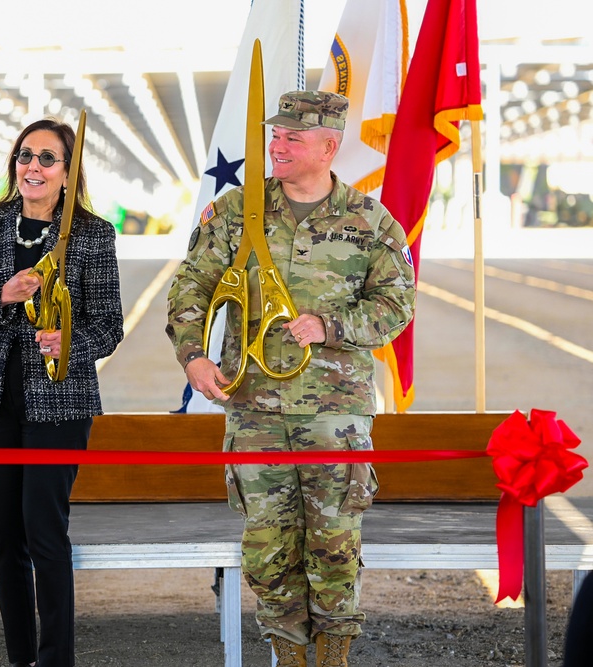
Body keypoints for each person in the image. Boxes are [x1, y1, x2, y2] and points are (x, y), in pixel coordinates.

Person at [166, 91, 416, 667]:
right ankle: (289, 658)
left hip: (336, 418)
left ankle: (333, 658)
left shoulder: (370, 222)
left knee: (333, 546)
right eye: (274, 136)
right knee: (268, 549)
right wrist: (194, 357)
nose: (275, 147)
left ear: (329, 146)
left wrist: (330, 325)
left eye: (291, 139)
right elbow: (191, 287)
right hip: (253, 409)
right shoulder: (236, 213)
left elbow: (396, 305)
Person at [0, 117, 123, 667]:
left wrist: (68, 343)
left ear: (68, 174)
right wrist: (1, 296)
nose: (33, 167)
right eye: (26, 156)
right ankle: (19, 657)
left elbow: (110, 326)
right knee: (4, 537)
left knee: (45, 535)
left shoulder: (93, 235)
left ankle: (56, 660)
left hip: (60, 401)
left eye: (48, 158)